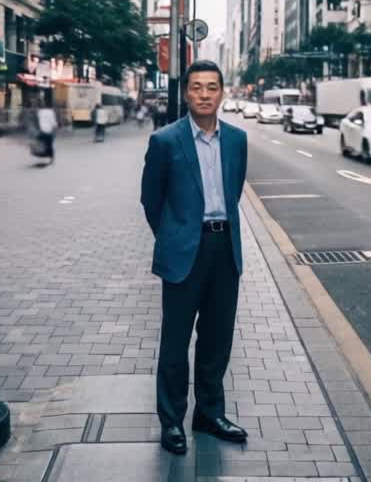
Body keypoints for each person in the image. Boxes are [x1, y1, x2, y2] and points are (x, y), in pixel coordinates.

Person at [140, 60, 249, 456]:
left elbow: (233, 191)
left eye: (212, 87)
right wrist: (174, 235)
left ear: (222, 93)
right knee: (175, 342)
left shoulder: (237, 139)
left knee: (217, 340)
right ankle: (172, 421)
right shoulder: (166, 140)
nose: (205, 94)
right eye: (197, 87)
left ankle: (209, 414)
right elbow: (151, 200)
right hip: (184, 252)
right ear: (186, 93)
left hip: (225, 250)